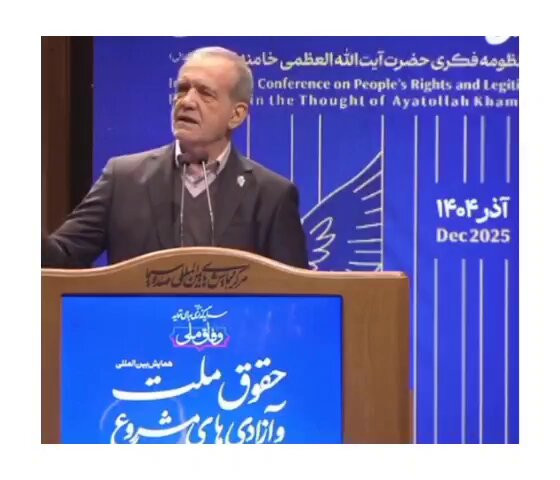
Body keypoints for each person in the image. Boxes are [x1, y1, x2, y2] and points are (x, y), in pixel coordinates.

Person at [42, 46, 309, 269]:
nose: (187, 101)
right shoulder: (122, 179)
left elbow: (296, 296)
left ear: (236, 114)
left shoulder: (271, 195)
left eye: (205, 93)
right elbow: (59, 259)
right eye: (182, 89)